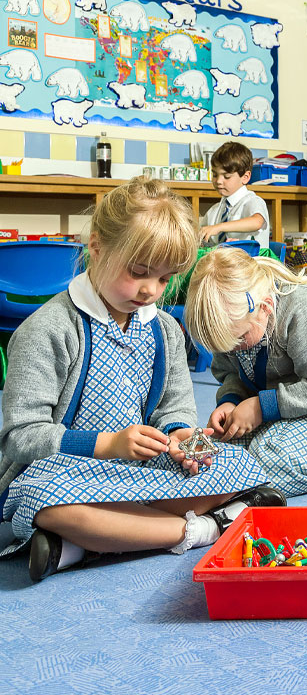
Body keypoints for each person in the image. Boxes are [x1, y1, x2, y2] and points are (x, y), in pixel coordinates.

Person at [0, 178, 284, 582]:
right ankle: (207, 529)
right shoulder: (47, 329)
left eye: (166, 279)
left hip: (141, 471)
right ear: (96, 248)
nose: (152, 290)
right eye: (139, 273)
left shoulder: (165, 330)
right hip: (65, 471)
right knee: (47, 503)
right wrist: (107, 444)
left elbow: (174, 406)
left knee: (244, 464)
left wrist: (179, 434)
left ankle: (85, 544)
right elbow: (20, 436)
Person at [185, 246, 307, 497]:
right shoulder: (235, 323)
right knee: (216, 454)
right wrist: (231, 401)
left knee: (268, 462)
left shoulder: (303, 310)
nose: (233, 349)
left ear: (264, 307)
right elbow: (229, 374)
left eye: (239, 339)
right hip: (276, 409)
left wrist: (261, 407)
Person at [199, 141, 271, 249]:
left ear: (245, 177)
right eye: (215, 175)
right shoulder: (215, 210)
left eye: (226, 176)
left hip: (251, 264)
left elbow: (257, 222)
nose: (218, 181)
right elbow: (202, 231)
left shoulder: (252, 201)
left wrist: (220, 227)